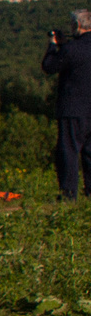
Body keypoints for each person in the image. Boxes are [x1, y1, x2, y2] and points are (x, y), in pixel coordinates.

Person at [48, 10, 91, 198]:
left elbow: (49, 66)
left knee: (69, 152)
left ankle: (68, 192)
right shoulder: (75, 48)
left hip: (73, 108)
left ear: (77, 26)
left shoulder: (71, 49)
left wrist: (53, 46)